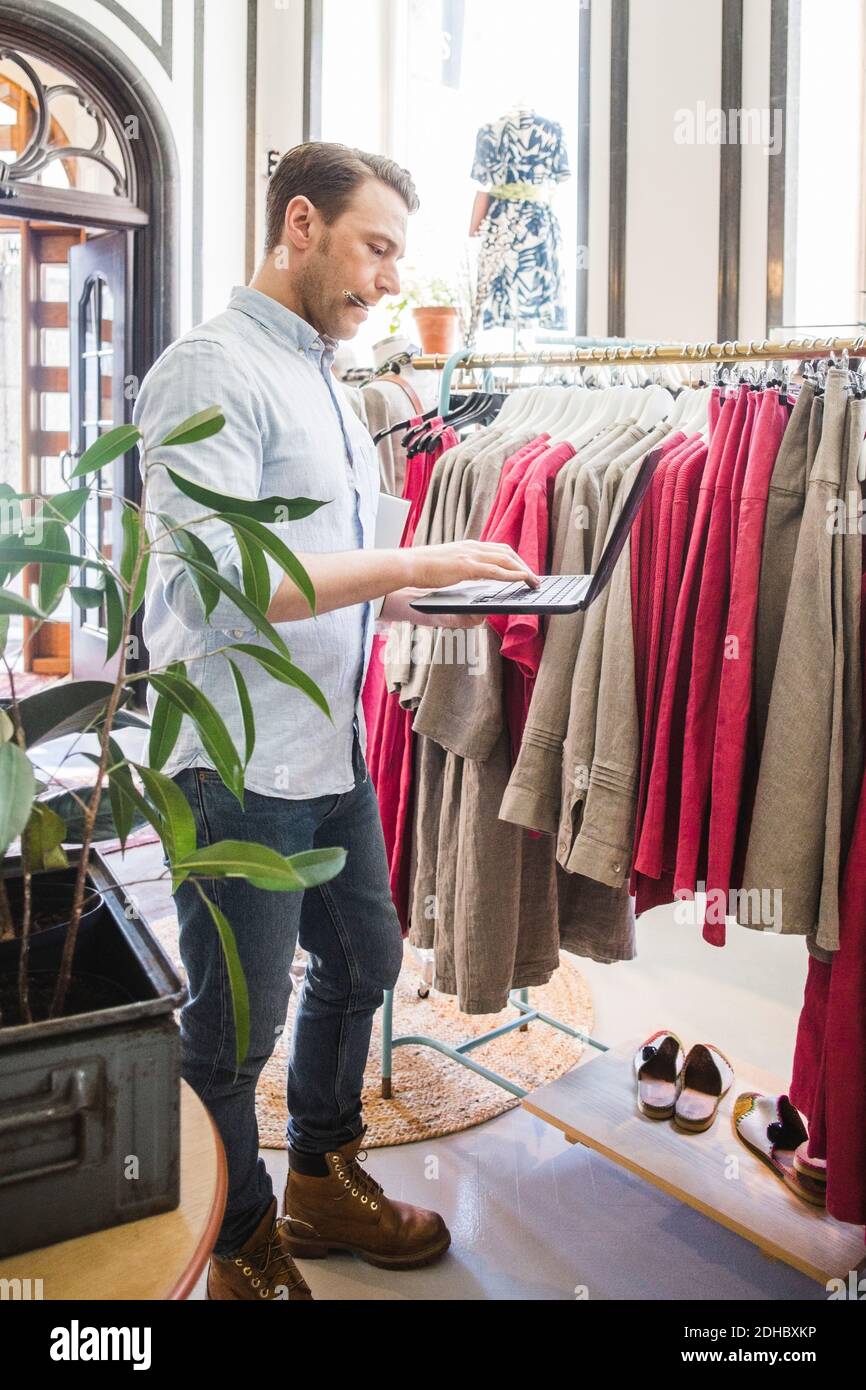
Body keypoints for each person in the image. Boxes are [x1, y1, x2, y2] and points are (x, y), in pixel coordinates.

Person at [134, 141, 539, 1301]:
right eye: (374, 247)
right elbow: (216, 581)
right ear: (298, 225)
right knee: (229, 1035)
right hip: (233, 756)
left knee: (363, 961)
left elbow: (335, 567)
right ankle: (236, 1237)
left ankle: (318, 1174)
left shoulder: (322, 372)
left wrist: (452, 589)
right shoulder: (209, 371)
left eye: (399, 255)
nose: (387, 279)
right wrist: (412, 555)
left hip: (324, 744)